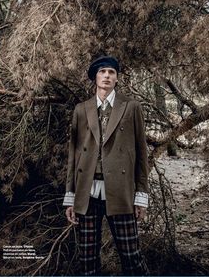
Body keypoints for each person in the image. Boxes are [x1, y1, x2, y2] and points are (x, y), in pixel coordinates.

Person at [63, 55, 149, 276]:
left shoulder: (131, 107)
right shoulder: (81, 110)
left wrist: (141, 196)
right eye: (102, 72)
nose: (107, 76)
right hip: (87, 192)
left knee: (132, 257)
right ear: (95, 78)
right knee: (87, 259)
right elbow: (73, 155)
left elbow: (141, 153)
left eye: (111, 72)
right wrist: (70, 196)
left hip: (120, 191)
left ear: (117, 78)